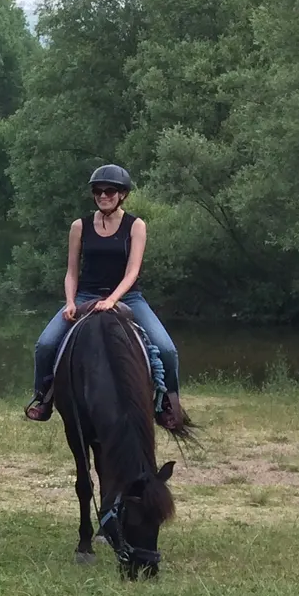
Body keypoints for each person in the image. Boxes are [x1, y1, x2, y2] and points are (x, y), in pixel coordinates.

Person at [26, 164, 184, 428]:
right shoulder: (80, 226)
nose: (102, 196)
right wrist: (69, 301)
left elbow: (132, 271)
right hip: (86, 294)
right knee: (45, 344)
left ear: (122, 194)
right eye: (97, 191)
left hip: (128, 297)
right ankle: (43, 399)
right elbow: (71, 272)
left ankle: (168, 403)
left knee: (166, 348)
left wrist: (113, 299)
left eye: (109, 191)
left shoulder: (136, 226)